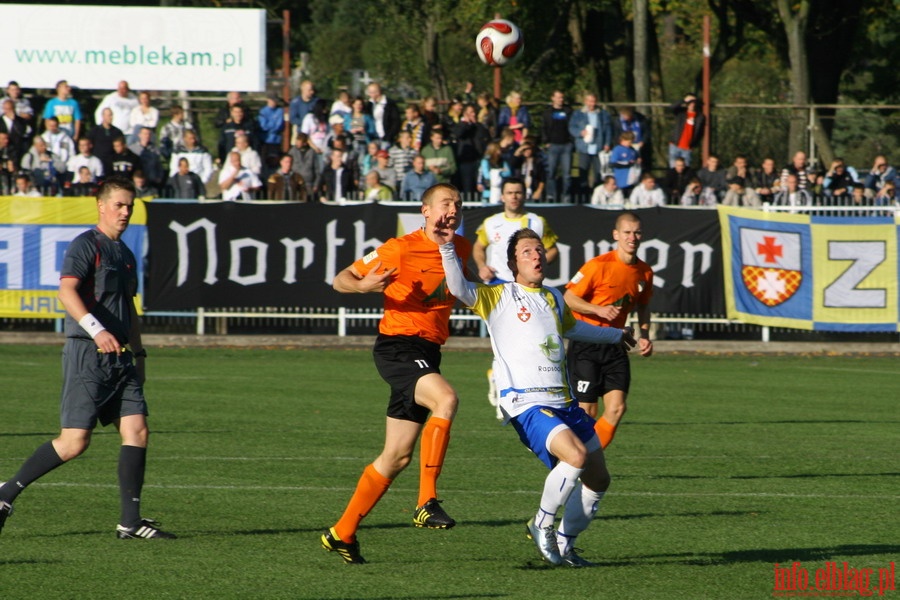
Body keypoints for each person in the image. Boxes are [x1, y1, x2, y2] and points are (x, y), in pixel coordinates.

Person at [437, 226, 635, 566]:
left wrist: (617, 336)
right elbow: (457, 287)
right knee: (574, 456)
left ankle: (566, 544)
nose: (537, 255)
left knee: (599, 477)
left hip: (564, 402)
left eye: (539, 250)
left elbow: (575, 328)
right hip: (526, 402)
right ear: (514, 262)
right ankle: (541, 523)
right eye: (528, 251)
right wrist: (446, 248)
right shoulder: (497, 296)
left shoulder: (555, 297)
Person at [0, 176, 175, 540]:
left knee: (137, 430)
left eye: (130, 205)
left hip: (122, 359)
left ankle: (130, 522)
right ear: (101, 205)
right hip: (88, 353)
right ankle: (6, 493)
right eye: (119, 205)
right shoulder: (86, 245)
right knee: (74, 442)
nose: (125, 211)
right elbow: (66, 291)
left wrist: (140, 356)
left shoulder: (125, 254)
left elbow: (130, 309)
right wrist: (98, 330)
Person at [321, 183, 472, 564]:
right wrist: (363, 285)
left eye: (457, 204)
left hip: (428, 352)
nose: (451, 209)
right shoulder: (400, 247)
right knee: (447, 399)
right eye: (445, 203)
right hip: (398, 347)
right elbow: (340, 279)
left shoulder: (460, 249)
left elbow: (468, 288)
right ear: (425, 210)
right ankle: (426, 501)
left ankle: (342, 532)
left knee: (396, 456)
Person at [564, 211, 654, 450]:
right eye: (627, 232)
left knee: (616, 408)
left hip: (616, 344)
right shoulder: (598, 266)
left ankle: (589, 461)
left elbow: (644, 305)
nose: (632, 237)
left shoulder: (644, 272)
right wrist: (598, 310)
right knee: (588, 412)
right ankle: (575, 461)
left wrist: (644, 335)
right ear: (616, 235)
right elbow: (569, 298)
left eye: (637, 232)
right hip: (587, 342)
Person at [473, 176, 560, 415]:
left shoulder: (537, 222)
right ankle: (506, 392)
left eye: (518, 192)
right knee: (505, 339)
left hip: (526, 286)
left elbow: (552, 249)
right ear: (502, 196)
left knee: (521, 341)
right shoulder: (491, 223)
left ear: (525, 195)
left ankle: (504, 385)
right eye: (510, 192)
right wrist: (482, 266)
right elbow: (478, 247)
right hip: (500, 284)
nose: (514, 196)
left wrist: (538, 263)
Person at [569, 93, 613, 199]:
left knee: (599, 173)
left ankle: (598, 196)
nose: (591, 104)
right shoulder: (578, 114)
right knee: (583, 173)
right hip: (584, 148)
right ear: (585, 101)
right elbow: (571, 128)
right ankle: (583, 197)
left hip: (599, 148)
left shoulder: (603, 114)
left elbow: (608, 130)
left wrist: (607, 143)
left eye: (593, 101)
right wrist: (580, 132)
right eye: (589, 101)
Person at [541, 91, 573, 203]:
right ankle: (551, 195)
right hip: (553, 145)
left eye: (562, 97)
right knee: (551, 172)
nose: (560, 99)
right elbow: (544, 127)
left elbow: (572, 126)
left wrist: (571, 142)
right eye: (558, 97)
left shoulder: (568, 111)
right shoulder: (547, 112)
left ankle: (566, 195)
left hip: (566, 145)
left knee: (567, 174)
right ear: (553, 98)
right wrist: (546, 141)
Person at [667, 93, 705, 168]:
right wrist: (683, 100)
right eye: (690, 103)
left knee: (686, 169)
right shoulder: (681, 113)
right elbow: (670, 108)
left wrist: (694, 144)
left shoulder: (700, 117)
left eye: (694, 103)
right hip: (675, 145)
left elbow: (700, 133)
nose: (692, 105)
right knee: (673, 168)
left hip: (687, 148)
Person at [88, 108, 125, 178]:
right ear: (103, 116)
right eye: (108, 115)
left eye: (111, 115)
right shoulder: (94, 131)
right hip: (98, 161)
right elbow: (89, 145)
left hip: (112, 163)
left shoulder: (117, 132)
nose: (110, 117)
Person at [365, 82, 401, 150]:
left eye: (371, 92)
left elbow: (396, 121)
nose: (369, 95)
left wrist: (389, 136)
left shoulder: (389, 104)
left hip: (386, 137)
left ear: (377, 92)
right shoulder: (370, 104)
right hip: (374, 137)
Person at [257, 94, 285, 172]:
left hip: (276, 141)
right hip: (265, 140)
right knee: (264, 162)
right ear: (268, 100)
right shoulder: (263, 111)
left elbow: (279, 126)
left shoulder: (280, 111)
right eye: (272, 100)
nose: (274, 102)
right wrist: (273, 124)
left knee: (275, 161)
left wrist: (270, 125)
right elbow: (263, 126)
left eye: (275, 101)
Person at [288, 132, 320, 199]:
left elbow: (317, 170)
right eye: (296, 141)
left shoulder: (312, 152)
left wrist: (316, 184)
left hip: (309, 184)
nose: (297, 143)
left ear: (305, 143)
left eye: (299, 142)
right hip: (296, 184)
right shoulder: (292, 151)